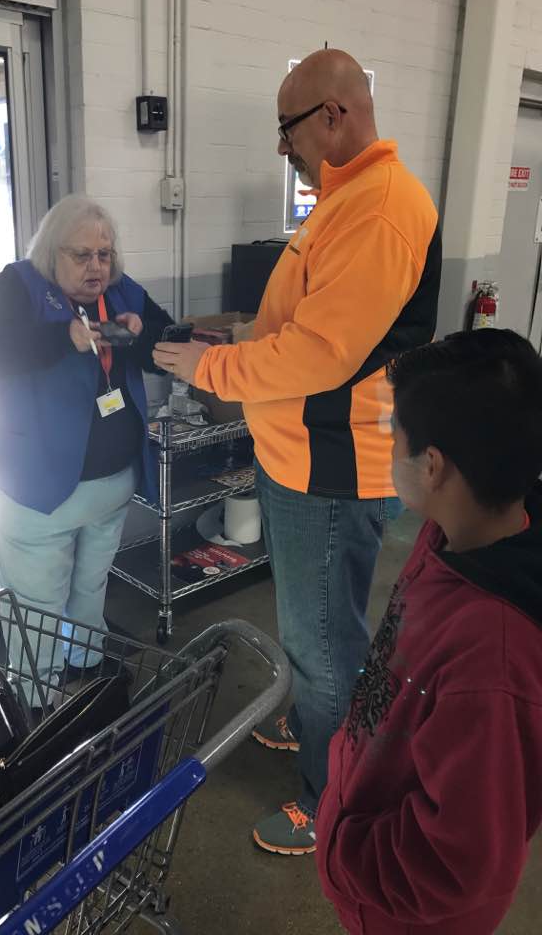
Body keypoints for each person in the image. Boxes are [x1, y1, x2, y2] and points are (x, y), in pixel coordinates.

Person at [153, 49, 441, 853]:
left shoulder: (381, 208)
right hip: (297, 460)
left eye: (287, 130)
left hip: (333, 468)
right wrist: (238, 336)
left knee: (325, 644)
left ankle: (331, 799)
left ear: (334, 115)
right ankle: (321, 722)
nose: (283, 149)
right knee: (316, 628)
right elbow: (303, 323)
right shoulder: (341, 199)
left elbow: (322, 355)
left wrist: (214, 366)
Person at [315, 328, 542, 935]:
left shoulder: (492, 657)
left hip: (406, 917)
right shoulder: (453, 533)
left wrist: (349, 856)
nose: (391, 453)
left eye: (396, 441)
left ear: (434, 466)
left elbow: (461, 858)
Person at [0, 195, 173, 697]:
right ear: (52, 251)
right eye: (82, 255)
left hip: (110, 488)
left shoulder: (122, 291)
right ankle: (37, 700)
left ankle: (86, 666)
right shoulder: (18, 285)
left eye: (105, 253)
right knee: (35, 607)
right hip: (36, 491)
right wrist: (65, 339)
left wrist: (145, 336)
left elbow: (166, 343)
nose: (97, 267)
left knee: (91, 586)